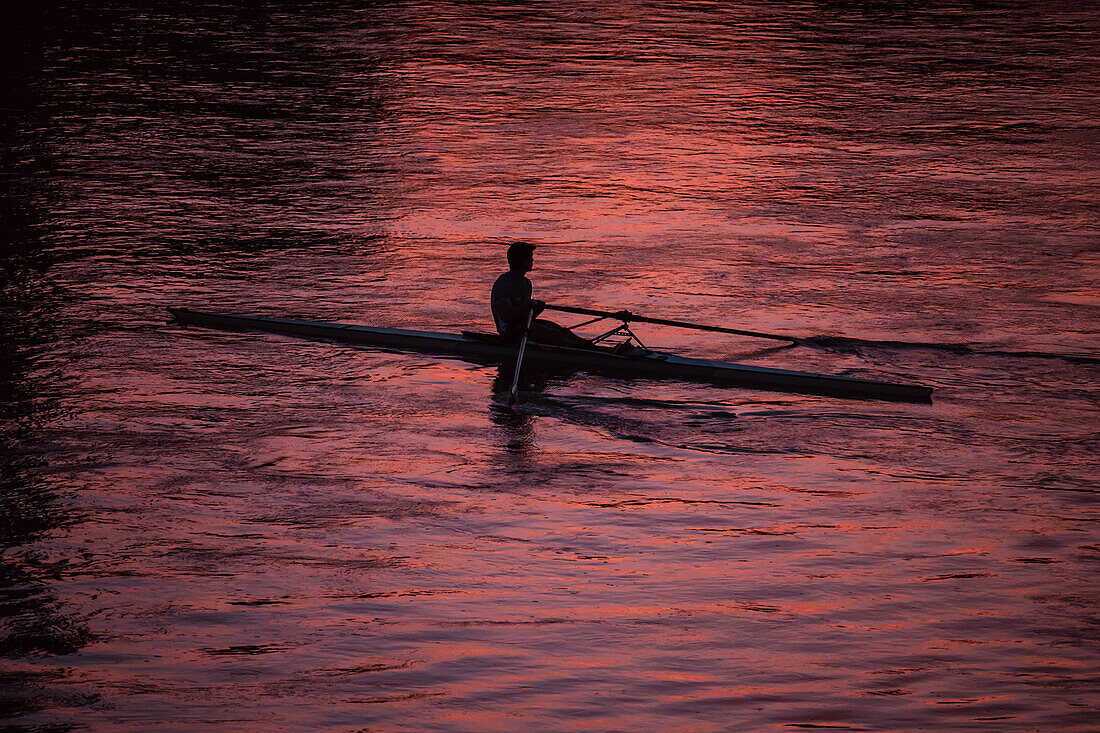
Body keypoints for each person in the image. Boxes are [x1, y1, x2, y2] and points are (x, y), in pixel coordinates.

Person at [491, 242, 596, 349]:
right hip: (510, 333)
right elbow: (506, 316)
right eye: (529, 258)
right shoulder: (504, 284)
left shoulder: (526, 283)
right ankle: (576, 350)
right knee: (551, 334)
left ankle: (587, 346)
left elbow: (525, 317)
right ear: (520, 260)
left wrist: (537, 309)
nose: (532, 260)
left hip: (523, 325)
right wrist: (526, 305)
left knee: (561, 331)